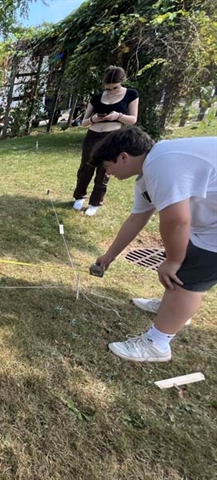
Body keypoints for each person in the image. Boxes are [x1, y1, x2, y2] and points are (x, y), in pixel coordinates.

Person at [91, 127, 217, 362]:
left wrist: (173, 260)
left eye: (107, 166)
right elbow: (137, 218)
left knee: (188, 280)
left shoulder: (160, 163)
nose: (107, 174)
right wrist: (109, 255)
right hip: (209, 224)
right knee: (186, 265)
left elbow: (177, 220)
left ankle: (157, 344)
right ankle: (171, 307)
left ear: (124, 157)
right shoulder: (148, 173)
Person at [72, 66, 139, 216]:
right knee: (85, 168)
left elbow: (133, 120)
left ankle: (95, 202)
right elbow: (83, 122)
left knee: (105, 169)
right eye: (107, 89)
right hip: (93, 135)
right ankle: (79, 196)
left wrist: (118, 116)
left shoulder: (131, 94)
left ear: (122, 82)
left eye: (114, 88)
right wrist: (93, 119)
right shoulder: (96, 98)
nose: (110, 91)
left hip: (112, 136)